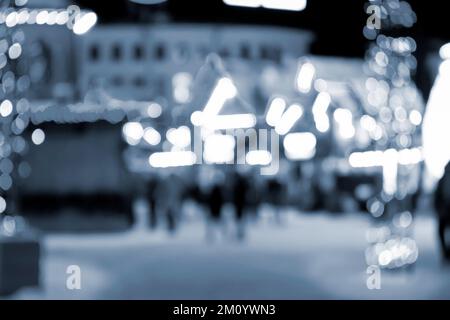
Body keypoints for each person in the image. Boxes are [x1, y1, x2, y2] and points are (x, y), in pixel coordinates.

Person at [434, 162, 450, 259]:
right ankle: (446, 251)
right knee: (441, 231)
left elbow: (437, 197)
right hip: (445, 210)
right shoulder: (442, 181)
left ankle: (446, 251)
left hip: (444, 210)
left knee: (441, 231)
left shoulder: (442, 180)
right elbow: (437, 197)